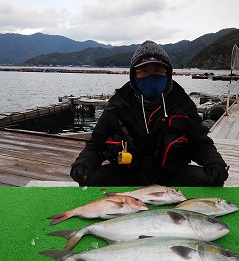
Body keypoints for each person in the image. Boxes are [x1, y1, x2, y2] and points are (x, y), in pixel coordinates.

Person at [70, 40, 229, 187]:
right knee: (91, 179)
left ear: (167, 73)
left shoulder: (182, 102)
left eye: (158, 69)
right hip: (128, 173)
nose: (150, 75)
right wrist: (84, 163)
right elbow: (97, 143)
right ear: (134, 74)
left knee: (210, 180)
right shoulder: (118, 103)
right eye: (143, 70)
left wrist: (214, 163)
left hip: (170, 174)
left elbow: (200, 143)